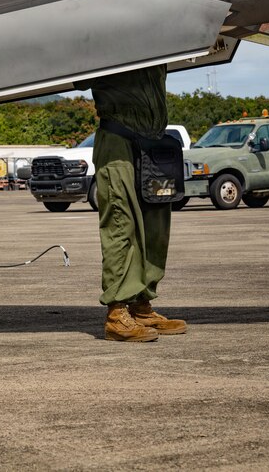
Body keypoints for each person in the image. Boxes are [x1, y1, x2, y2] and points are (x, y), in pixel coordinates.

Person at [78, 64, 187, 342]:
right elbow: (77, 77)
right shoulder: (105, 34)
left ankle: (141, 305)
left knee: (156, 227)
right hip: (118, 141)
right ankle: (117, 313)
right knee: (120, 222)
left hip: (154, 142)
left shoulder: (156, 35)